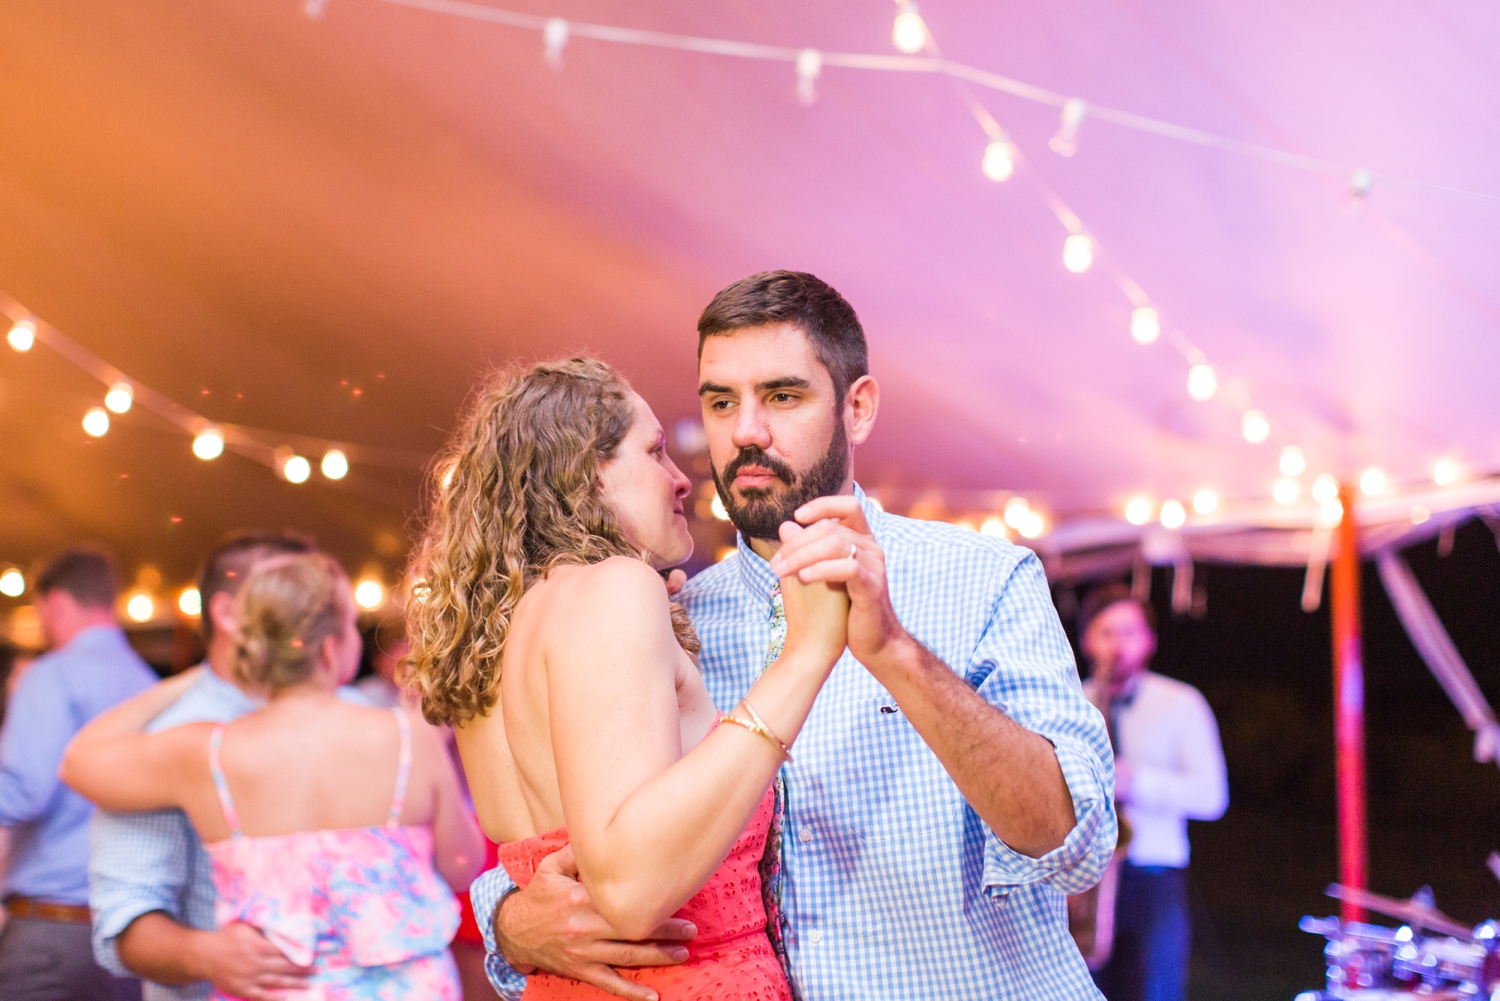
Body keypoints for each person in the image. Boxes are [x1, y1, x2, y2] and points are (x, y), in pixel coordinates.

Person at [468, 271, 1118, 1001]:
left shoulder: (983, 577)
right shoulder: (675, 619)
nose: (745, 430)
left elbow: (1076, 842)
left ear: (857, 408)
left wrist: (896, 652)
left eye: (782, 395)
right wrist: (511, 918)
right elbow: (572, 834)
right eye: (721, 402)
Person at [405, 356, 852, 1001]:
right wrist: (803, 659)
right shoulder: (615, 589)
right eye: (655, 452)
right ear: (584, 470)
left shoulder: (502, 635)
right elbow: (631, 890)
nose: (679, 479)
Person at [63, 552, 485, 999]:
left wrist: (189, 680)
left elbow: (80, 759)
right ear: (329, 648)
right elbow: (462, 868)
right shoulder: (408, 738)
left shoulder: (206, 754)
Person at [0, 545, 156, 1001]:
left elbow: (21, 792)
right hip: (128, 936)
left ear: (58, 603)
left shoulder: (51, 675)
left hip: (50, 931)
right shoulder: (146, 683)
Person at [1079, 583, 1227, 1001]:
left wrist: (1137, 782)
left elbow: (1212, 797)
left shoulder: (1181, 703)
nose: (1118, 645)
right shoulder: (1073, 702)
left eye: (1129, 632)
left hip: (1152, 879)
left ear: (1149, 641)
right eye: (1107, 632)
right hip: (1084, 884)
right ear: (1088, 640)